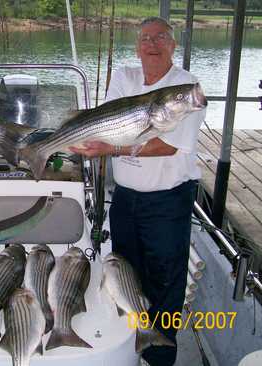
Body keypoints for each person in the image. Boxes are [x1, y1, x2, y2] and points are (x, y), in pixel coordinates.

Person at [71, 17, 206, 366]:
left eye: (161, 37)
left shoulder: (186, 88)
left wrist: (113, 148)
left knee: (166, 278)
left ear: (173, 45)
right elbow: (106, 126)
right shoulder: (124, 78)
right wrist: (89, 140)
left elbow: (167, 146)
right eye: (146, 38)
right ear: (137, 46)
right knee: (126, 273)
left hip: (167, 201)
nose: (153, 44)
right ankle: (133, 341)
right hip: (126, 200)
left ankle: (161, 356)